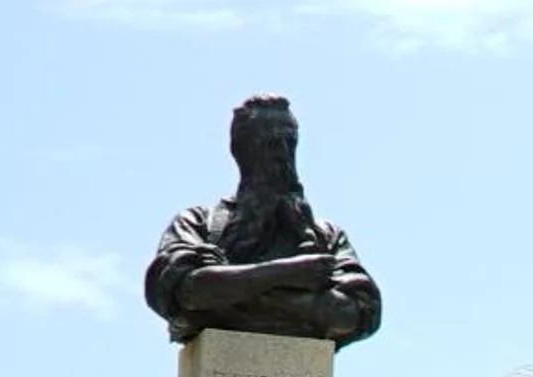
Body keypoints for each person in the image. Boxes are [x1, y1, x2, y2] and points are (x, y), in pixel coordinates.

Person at [144, 95, 380, 347]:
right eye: (271, 144)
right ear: (244, 152)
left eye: (290, 143)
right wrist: (291, 274)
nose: (283, 155)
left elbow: (356, 314)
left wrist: (226, 290)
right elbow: (183, 293)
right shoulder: (199, 223)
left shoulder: (327, 236)